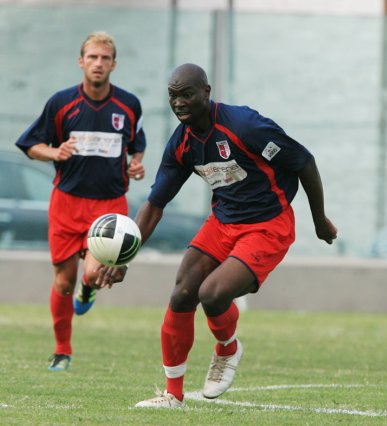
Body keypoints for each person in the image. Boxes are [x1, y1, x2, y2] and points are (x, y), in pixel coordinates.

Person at [96, 63, 337, 407]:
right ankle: (172, 395)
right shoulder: (181, 144)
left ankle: (228, 348)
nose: (178, 103)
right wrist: (124, 258)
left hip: (268, 225)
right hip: (222, 223)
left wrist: (319, 220)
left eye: (187, 94)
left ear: (206, 93)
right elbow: (154, 205)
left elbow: (303, 161)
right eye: (172, 96)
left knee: (211, 293)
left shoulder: (246, 126)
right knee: (182, 294)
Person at [15, 31, 146, 371]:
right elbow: (30, 145)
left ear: (113, 64)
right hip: (67, 203)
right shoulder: (61, 103)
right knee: (62, 280)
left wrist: (136, 163)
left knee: (94, 271)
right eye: (92, 57)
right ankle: (62, 351)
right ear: (81, 61)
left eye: (105, 58)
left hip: (109, 205)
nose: (98, 63)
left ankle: (88, 290)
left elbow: (137, 144)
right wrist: (53, 151)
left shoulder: (129, 105)